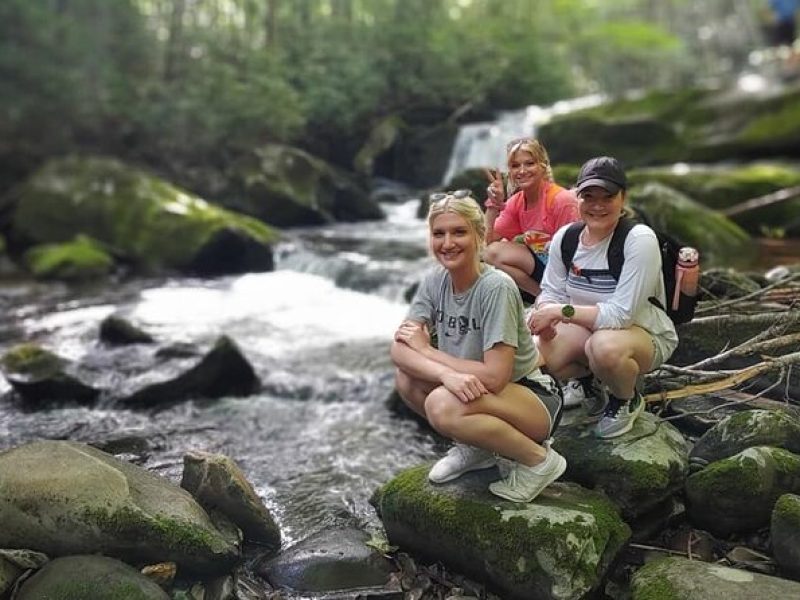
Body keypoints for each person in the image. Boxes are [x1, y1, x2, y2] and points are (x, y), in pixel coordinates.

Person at [391, 190, 566, 503]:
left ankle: (539, 460)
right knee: (406, 379)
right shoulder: (435, 281)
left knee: (441, 404)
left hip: (532, 398)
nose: (448, 243)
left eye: (459, 232)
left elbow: (496, 376)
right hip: (484, 393)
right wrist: (445, 374)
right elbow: (401, 349)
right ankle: (478, 449)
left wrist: (429, 353)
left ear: (480, 235)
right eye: (439, 233)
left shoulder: (496, 287)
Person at [527, 157, 678, 439]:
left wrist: (560, 312)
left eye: (607, 197)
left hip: (644, 334)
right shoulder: (566, 238)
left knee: (604, 347)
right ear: (577, 197)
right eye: (589, 197)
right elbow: (551, 290)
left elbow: (621, 315)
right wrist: (545, 315)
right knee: (538, 351)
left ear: (624, 198)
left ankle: (625, 398)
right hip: (588, 329)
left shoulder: (639, 239)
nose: (597, 206)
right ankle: (588, 385)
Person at [483, 138, 579, 304]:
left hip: (572, 273)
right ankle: (541, 297)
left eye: (529, 163)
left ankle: (561, 299)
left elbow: (575, 254)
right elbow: (486, 243)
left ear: (542, 166)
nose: (522, 171)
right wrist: (494, 204)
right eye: (515, 166)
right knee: (492, 252)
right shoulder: (517, 202)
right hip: (544, 269)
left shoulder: (561, 200)